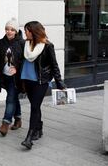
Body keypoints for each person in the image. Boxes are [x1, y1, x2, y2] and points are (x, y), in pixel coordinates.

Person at [20, 21, 66, 150]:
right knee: (36, 106)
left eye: (26, 31)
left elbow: (54, 65)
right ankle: (38, 129)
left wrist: (59, 82)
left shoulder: (47, 46)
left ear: (33, 32)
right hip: (27, 80)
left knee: (34, 107)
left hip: (41, 81)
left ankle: (29, 137)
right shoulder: (24, 44)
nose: (25, 33)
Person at [0, 18, 25, 136]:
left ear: (16, 31)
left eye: (12, 29)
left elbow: (25, 60)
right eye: (7, 29)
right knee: (13, 97)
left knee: (10, 98)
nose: (9, 31)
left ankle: (5, 124)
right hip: (4, 76)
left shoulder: (22, 43)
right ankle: (18, 119)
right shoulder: (1, 42)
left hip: (16, 78)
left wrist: (17, 68)